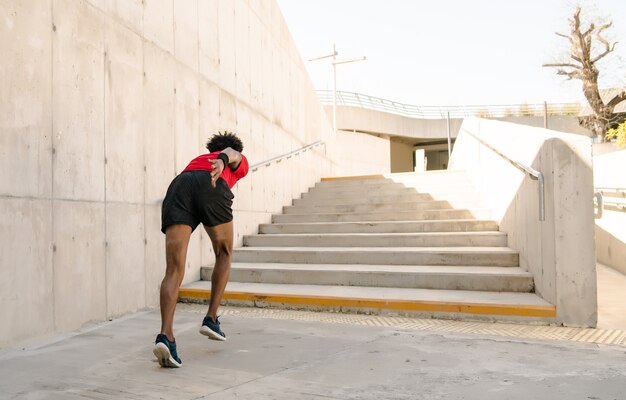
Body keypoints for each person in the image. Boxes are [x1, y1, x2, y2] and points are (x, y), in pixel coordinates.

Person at [153, 131, 249, 368]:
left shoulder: (198, 160)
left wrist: (217, 160)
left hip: (179, 186)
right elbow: (233, 154)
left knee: (173, 269)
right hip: (210, 183)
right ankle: (211, 318)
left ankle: (166, 335)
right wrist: (224, 161)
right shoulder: (234, 160)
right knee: (224, 253)